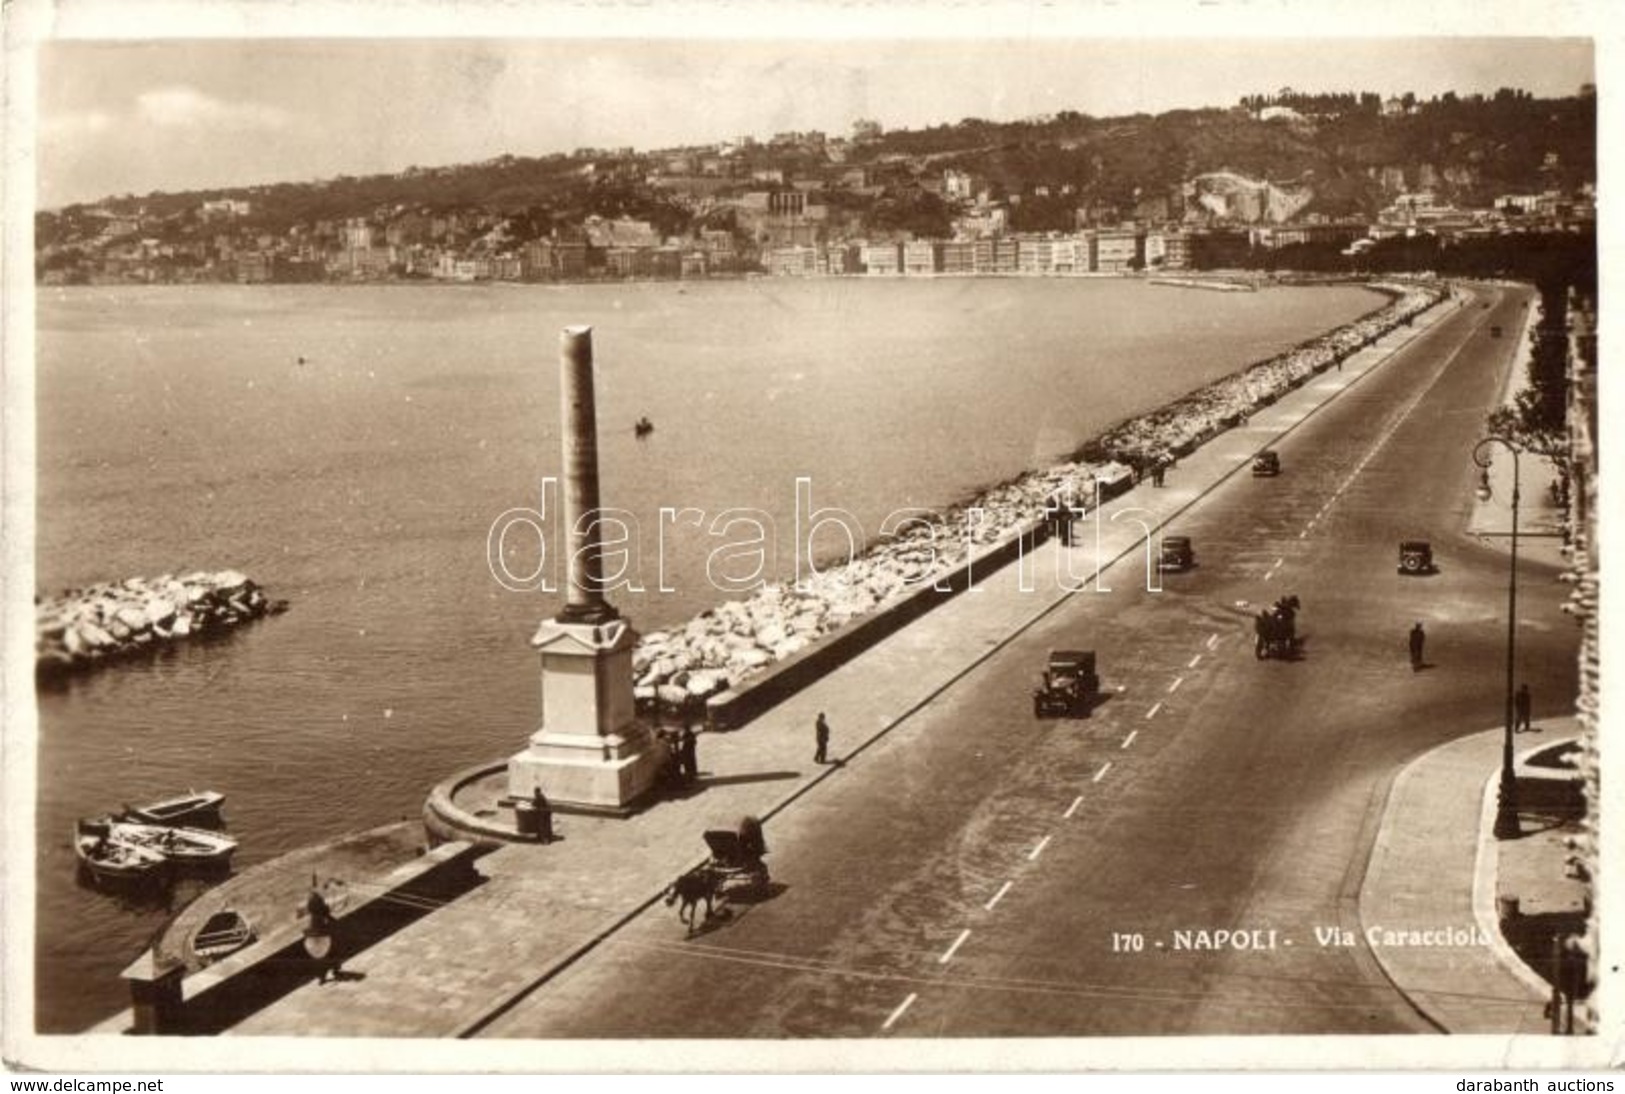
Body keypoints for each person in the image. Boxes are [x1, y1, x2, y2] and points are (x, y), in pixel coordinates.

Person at [303, 877, 341, 984]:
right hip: (324, 931)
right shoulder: (320, 910)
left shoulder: (312, 913)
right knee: (332, 951)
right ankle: (335, 970)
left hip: (315, 932)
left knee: (319, 957)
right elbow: (326, 911)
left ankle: (322, 977)